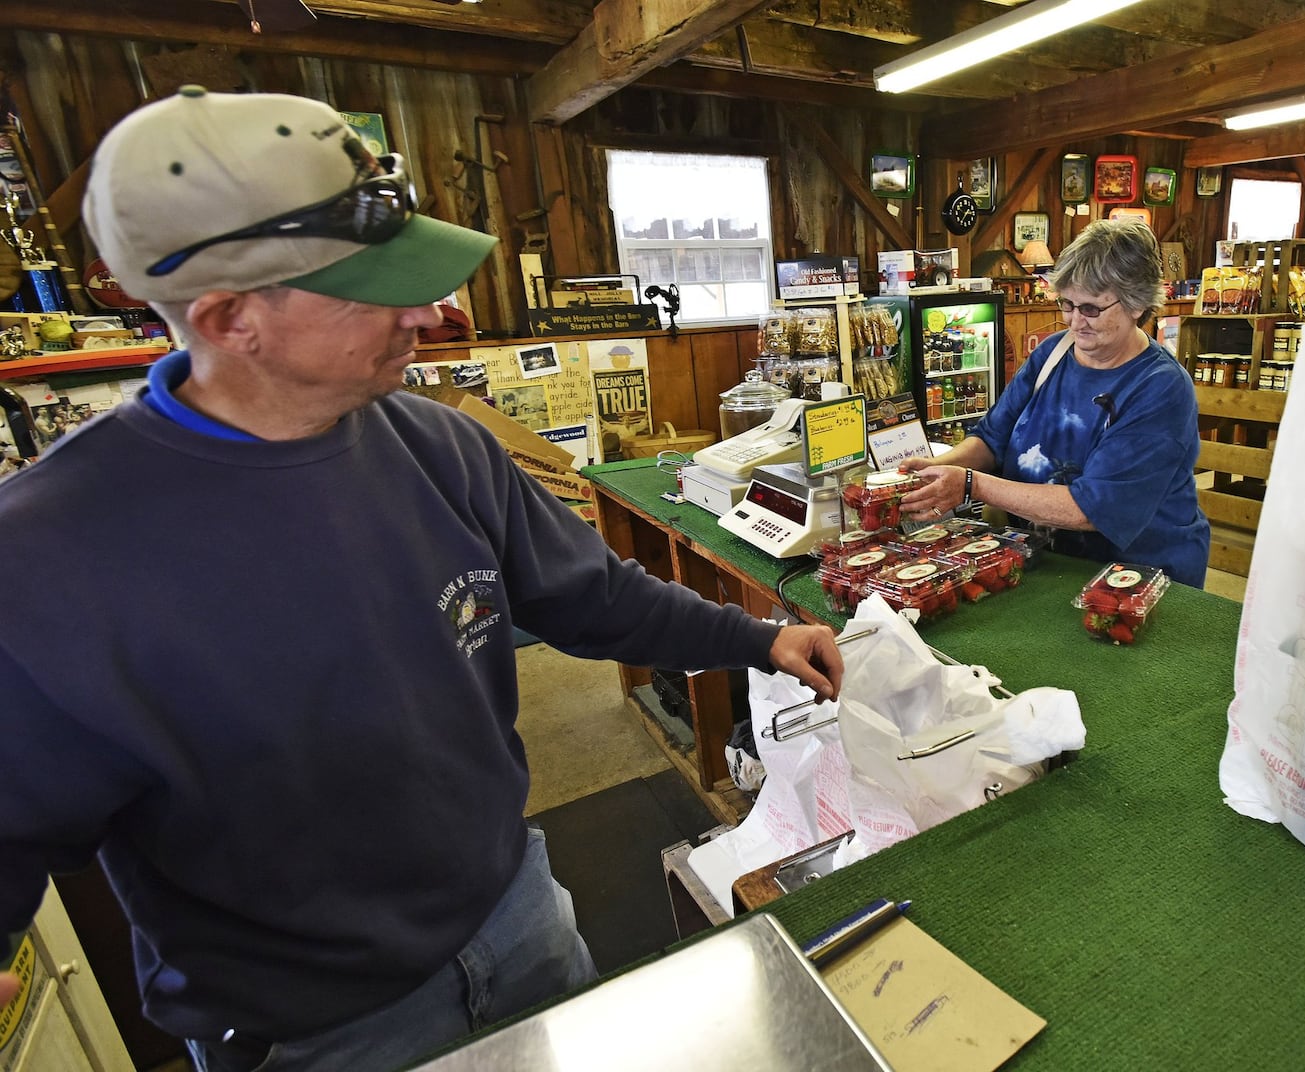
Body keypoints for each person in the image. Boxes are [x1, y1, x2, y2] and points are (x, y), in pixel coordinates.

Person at [0, 87, 843, 1072]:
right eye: (380, 284)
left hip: (519, 913)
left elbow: (589, 595)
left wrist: (755, 638)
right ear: (232, 317)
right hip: (312, 1030)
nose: (439, 311)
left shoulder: (440, 443)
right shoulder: (47, 556)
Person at [899, 218, 1209, 587]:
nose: (1075, 321)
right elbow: (991, 438)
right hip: (1043, 563)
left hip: (1137, 577)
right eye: (1067, 304)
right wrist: (934, 473)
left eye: (1091, 308)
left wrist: (969, 485)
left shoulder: (1160, 388)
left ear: (1137, 303)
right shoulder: (1053, 352)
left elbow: (1091, 507)